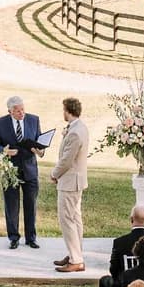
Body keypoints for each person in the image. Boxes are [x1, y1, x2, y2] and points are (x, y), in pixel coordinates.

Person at [0, 95, 45, 251]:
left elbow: (39, 144)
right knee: (11, 206)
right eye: (17, 111)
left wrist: (40, 151)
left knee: (31, 205)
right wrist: (4, 151)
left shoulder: (34, 120)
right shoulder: (0, 123)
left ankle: (31, 238)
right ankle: (13, 238)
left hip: (30, 170)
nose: (22, 113)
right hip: (10, 171)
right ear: (10, 111)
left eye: (23, 109)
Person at [50, 97, 90, 272]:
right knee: (75, 218)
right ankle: (76, 254)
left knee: (67, 219)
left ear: (68, 111)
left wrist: (54, 174)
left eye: (63, 109)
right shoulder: (80, 127)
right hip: (77, 180)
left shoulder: (74, 132)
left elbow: (66, 160)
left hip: (70, 181)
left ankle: (76, 259)